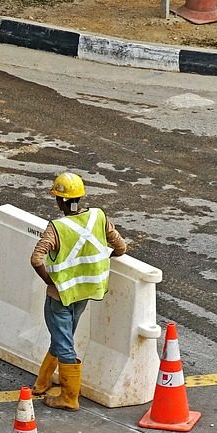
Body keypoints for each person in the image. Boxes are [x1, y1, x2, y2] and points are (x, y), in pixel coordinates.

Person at [30, 172, 128, 411]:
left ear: (60, 201)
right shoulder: (98, 216)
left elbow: (36, 259)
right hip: (86, 291)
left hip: (60, 295)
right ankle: (42, 382)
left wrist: (50, 282)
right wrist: (104, 259)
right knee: (63, 335)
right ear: (80, 197)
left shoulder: (57, 228)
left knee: (64, 342)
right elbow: (121, 247)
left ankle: (69, 397)